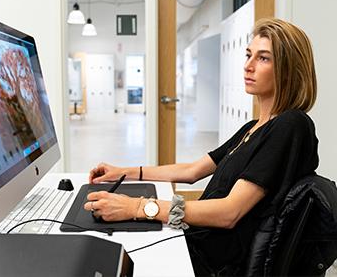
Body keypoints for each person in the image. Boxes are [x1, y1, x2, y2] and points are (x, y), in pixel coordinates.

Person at [83, 18, 319, 276]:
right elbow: (192, 170)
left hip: (211, 265)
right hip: (197, 242)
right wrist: (123, 172)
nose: (248, 66)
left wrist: (138, 207)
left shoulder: (291, 125)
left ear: (288, 69)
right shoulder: (253, 127)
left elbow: (229, 212)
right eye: (249, 55)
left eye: (263, 59)